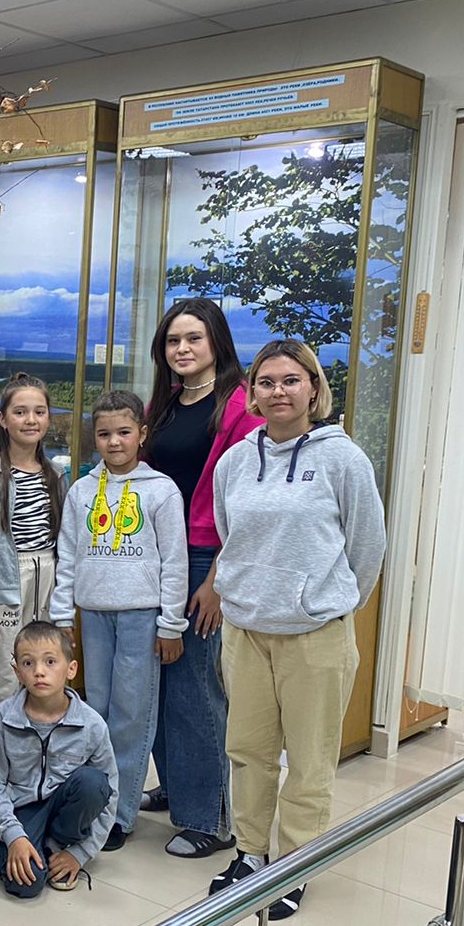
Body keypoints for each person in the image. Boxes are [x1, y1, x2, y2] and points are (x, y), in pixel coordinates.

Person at [209, 340, 385, 921]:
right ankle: (250, 854)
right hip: (246, 631)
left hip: (315, 635)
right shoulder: (236, 461)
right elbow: (231, 536)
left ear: (313, 388)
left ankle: (294, 865)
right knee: (248, 752)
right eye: (266, 382)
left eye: (290, 380)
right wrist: (250, 593)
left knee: (309, 761)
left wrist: (325, 603)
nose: (278, 391)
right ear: (252, 392)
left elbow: (367, 545)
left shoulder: (343, 459)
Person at [142, 297, 262, 859]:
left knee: (196, 689)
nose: (182, 349)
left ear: (217, 342)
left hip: (203, 559)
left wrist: (217, 578)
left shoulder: (239, 405)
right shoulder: (164, 403)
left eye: (193, 338)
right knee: (159, 683)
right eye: (173, 340)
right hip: (154, 556)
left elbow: (246, 504)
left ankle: (210, 818)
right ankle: (179, 786)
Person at [51, 391, 188, 851]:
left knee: (131, 716)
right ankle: (98, 802)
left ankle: (121, 813)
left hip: (140, 617)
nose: (114, 442)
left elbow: (175, 562)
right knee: (99, 713)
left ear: (142, 435)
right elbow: (68, 556)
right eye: (104, 433)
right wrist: (61, 615)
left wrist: (171, 624)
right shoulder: (81, 491)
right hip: (93, 615)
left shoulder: (161, 491)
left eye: (124, 432)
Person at [0, 622, 118, 899]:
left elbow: (111, 793)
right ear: (17, 672)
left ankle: (57, 844)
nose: (39, 671)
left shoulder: (92, 724)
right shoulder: (1, 718)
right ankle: (36, 845)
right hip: (21, 810)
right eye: (28, 663)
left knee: (94, 782)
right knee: (25, 886)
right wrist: (14, 836)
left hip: (64, 809)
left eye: (50, 661)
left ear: (71, 669)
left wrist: (80, 854)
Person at [0, 372, 63, 703]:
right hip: (5, 583)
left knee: (43, 674)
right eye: (20, 412)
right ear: (3, 419)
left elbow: (62, 541)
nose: (30, 420)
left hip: (47, 581)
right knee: (2, 680)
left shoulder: (55, 474)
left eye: (39, 412)